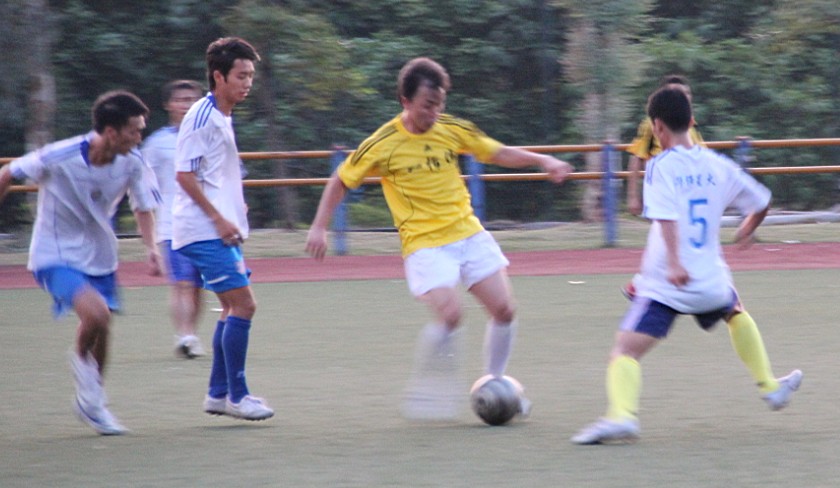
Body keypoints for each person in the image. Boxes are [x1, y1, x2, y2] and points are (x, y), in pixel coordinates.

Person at [306, 57, 574, 420]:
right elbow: (341, 179)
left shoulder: (451, 129)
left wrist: (543, 160)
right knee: (451, 314)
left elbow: (496, 152)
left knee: (505, 310)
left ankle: (494, 383)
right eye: (427, 105)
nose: (434, 113)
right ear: (405, 100)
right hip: (425, 244)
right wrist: (319, 226)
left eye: (439, 105)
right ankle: (428, 390)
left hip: (467, 233)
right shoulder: (383, 143)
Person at [571, 86, 802, 445]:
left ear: (657, 127)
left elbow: (664, 217)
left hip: (668, 284)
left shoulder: (660, 166)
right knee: (734, 310)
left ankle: (621, 416)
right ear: (692, 121)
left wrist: (676, 264)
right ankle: (770, 386)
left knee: (625, 351)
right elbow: (762, 201)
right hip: (710, 283)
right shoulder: (719, 164)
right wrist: (746, 229)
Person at [0, 90, 162, 435]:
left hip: (100, 256)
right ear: (111, 131)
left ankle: (93, 403)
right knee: (97, 314)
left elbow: (143, 206)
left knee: (102, 326)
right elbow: (7, 174)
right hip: (54, 254)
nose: (139, 138)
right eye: (134, 131)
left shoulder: (133, 162)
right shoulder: (60, 155)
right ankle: (80, 364)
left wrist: (152, 247)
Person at [172, 37, 273, 421]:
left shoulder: (223, 114)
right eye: (241, 75)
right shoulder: (202, 117)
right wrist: (217, 217)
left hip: (218, 229)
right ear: (219, 76)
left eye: (251, 75)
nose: (248, 83)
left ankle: (218, 395)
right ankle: (238, 396)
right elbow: (184, 175)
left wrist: (233, 208)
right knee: (244, 305)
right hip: (203, 230)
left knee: (232, 307)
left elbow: (213, 174)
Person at [142, 80, 207, 359]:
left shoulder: (211, 135)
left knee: (198, 286)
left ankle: (191, 333)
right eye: (180, 99)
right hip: (172, 223)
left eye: (192, 99)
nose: (186, 105)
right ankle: (185, 335)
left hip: (207, 224)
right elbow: (143, 183)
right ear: (168, 104)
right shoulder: (157, 143)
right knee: (182, 282)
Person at [625, 75, 705, 216]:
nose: (683, 97)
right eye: (677, 93)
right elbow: (637, 158)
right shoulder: (652, 125)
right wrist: (633, 196)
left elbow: (702, 157)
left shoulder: (691, 126)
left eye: (686, 93)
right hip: (663, 188)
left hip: (687, 188)